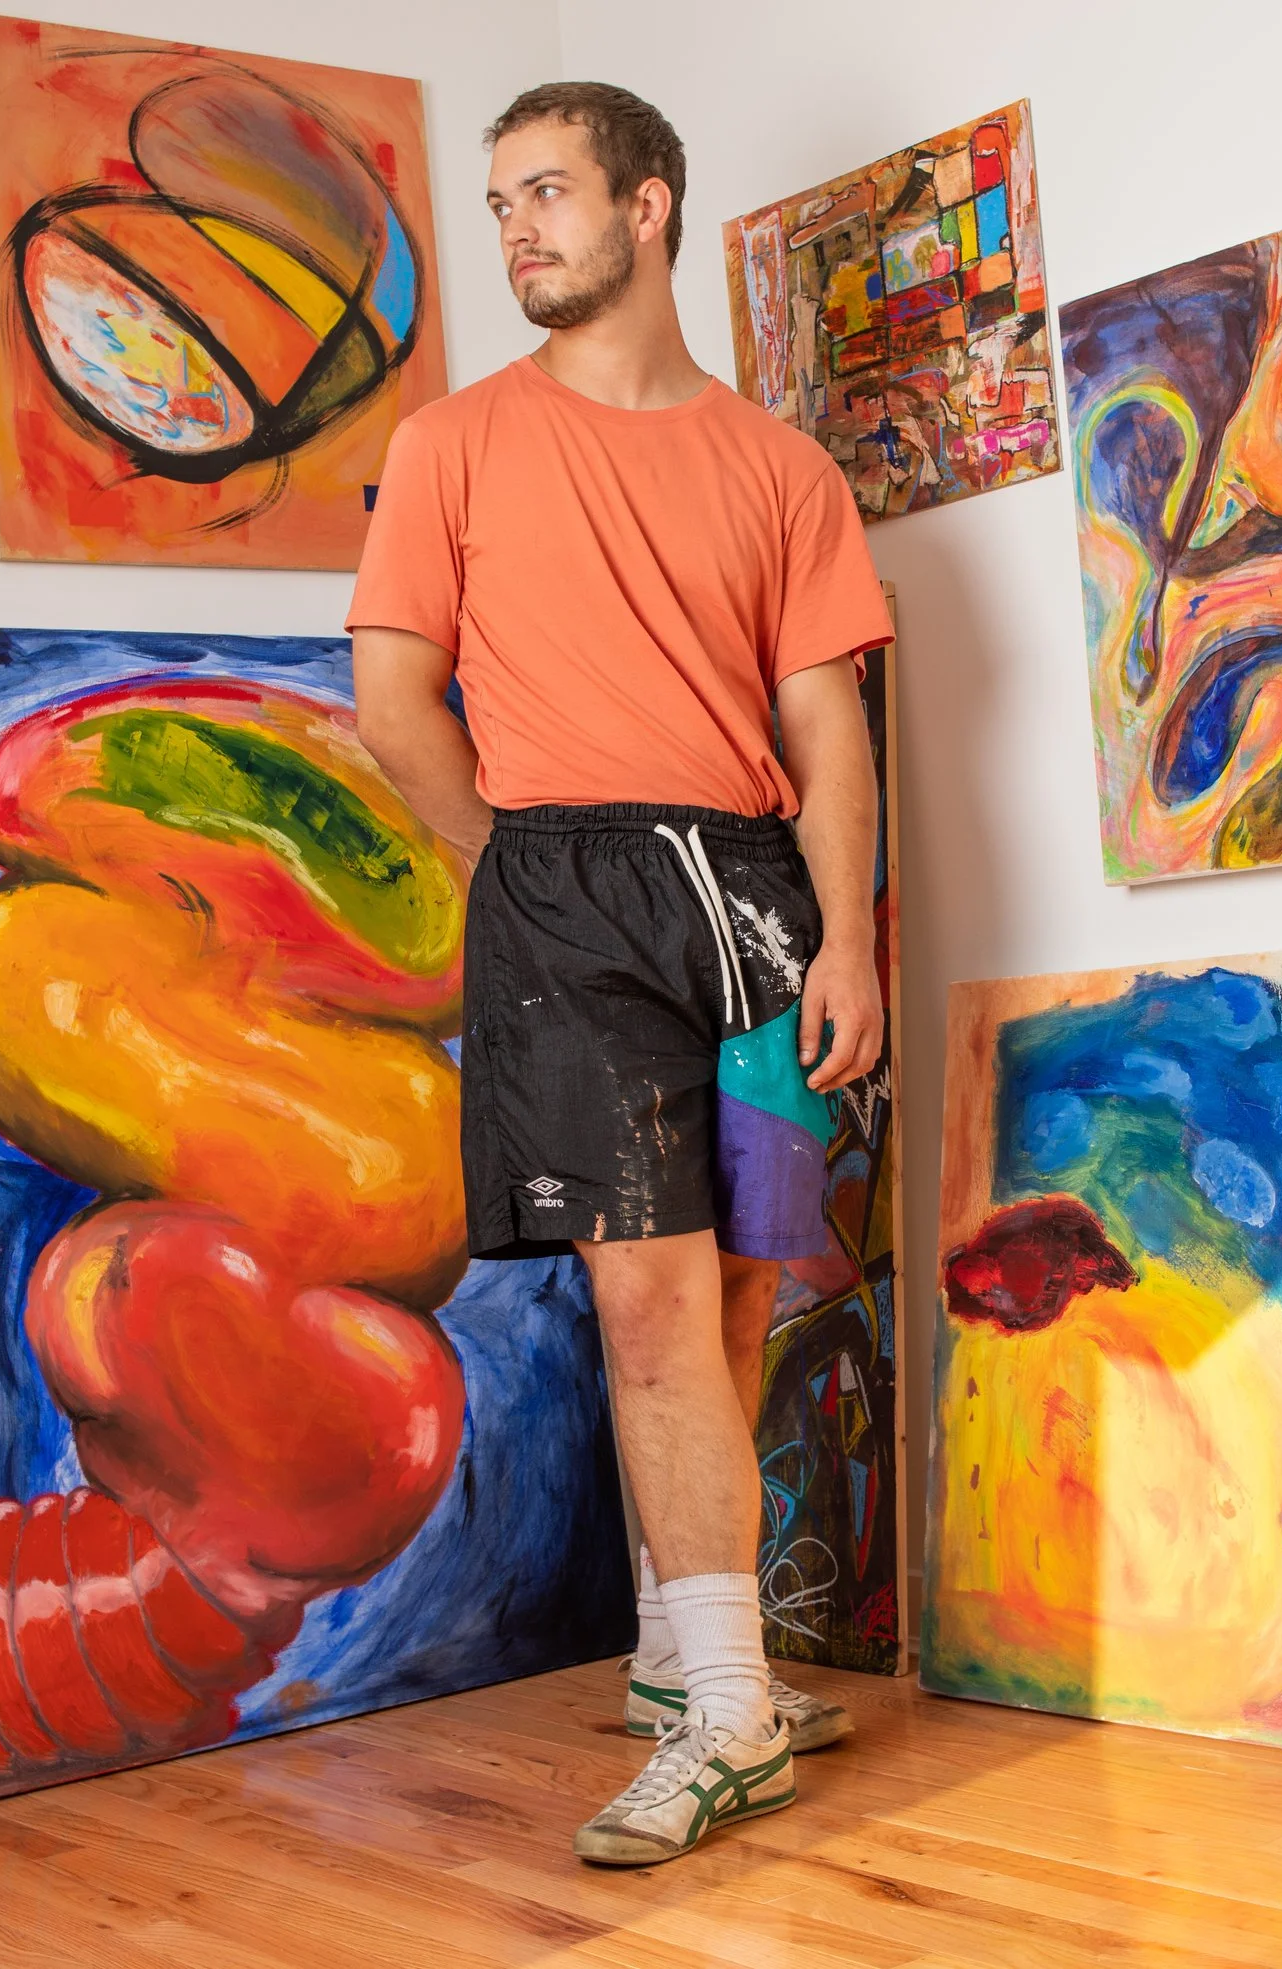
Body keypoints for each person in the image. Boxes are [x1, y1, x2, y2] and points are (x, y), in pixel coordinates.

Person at [347, 81, 890, 1866]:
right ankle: (733, 1715)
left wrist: (856, 937)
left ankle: (684, 1657)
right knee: (650, 1306)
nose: (515, 227)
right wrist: (515, 860)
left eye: (549, 192)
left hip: (756, 903)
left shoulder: (781, 468)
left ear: (647, 206)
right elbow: (394, 695)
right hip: (565, 888)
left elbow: (827, 723)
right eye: (500, 199)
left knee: (745, 1297)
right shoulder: (454, 444)